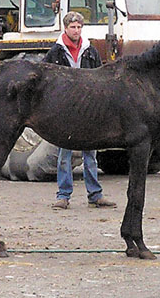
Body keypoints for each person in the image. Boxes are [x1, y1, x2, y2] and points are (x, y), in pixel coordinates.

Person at [43, 11, 116, 210]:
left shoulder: (90, 51)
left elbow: (100, 77)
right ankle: (63, 195)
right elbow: (46, 79)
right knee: (64, 154)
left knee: (90, 153)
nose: (76, 30)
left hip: (88, 109)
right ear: (65, 28)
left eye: (79, 27)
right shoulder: (55, 53)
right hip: (65, 109)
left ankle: (95, 194)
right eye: (73, 27)